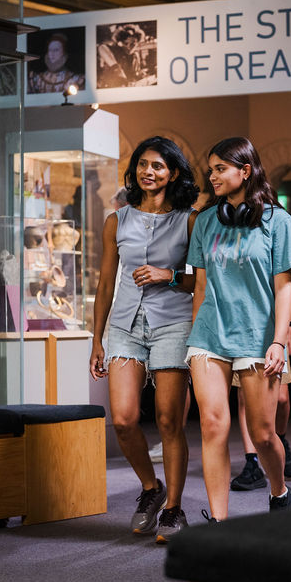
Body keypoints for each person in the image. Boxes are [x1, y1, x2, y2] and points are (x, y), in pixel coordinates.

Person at [90, 136, 199, 543]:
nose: (148, 172)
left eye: (157, 165)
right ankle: (152, 490)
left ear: (172, 172)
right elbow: (105, 284)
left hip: (173, 324)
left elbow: (200, 281)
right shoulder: (116, 220)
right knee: (122, 419)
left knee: (171, 420)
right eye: (142, 164)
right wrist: (96, 339)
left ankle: (174, 510)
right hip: (124, 326)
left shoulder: (190, 220)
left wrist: (167, 275)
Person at [187, 136, 291, 521]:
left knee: (264, 434)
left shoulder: (278, 220)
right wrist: (192, 337)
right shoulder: (204, 221)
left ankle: (279, 490)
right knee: (213, 424)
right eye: (211, 169)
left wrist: (279, 341)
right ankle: (219, 521)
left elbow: (284, 286)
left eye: (220, 169)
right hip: (209, 336)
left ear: (245, 171)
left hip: (257, 335)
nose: (212, 175)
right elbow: (200, 287)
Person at [230, 322, 291, 490]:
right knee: (245, 398)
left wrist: (289, 326)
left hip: (273, 329)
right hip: (242, 328)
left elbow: (284, 294)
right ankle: (252, 462)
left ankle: (280, 441)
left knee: (282, 399)